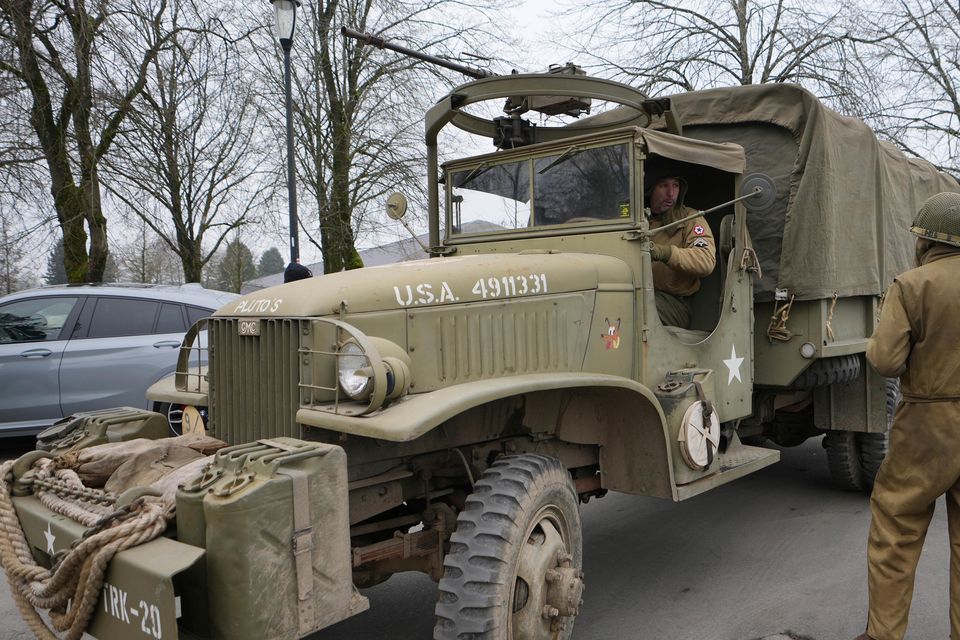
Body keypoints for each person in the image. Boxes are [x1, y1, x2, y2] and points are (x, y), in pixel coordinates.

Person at [856, 191, 960, 640]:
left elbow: (885, 361)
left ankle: (884, 635)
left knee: (895, 531)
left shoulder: (911, 284)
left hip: (926, 426)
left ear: (925, 240)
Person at [646, 174, 716, 328]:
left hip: (673, 303)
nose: (671, 193)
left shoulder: (690, 219)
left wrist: (665, 253)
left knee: (635, 309)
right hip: (635, 293)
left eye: (676, 186)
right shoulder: (638, 220)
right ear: (650, 189)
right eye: (663, 186)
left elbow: (705, 260)